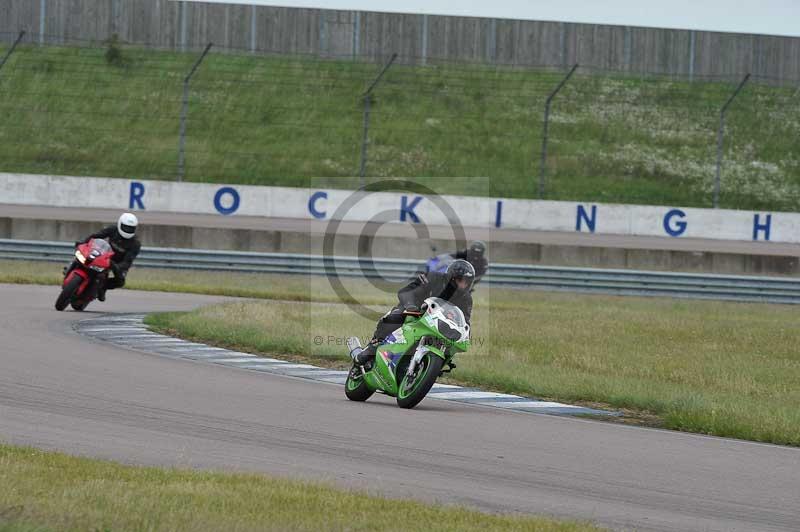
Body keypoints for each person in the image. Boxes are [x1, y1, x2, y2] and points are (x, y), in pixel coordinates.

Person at [353, 259, 475, 365]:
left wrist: (465, 333)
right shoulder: (433, 278)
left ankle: (430, 366)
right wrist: (410, 305)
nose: (463, 284)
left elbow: (464, 320)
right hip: (416, 312)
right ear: (451, 277)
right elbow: (407, 291)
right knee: (397, 315)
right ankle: (372, 347)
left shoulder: (466, 299)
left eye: (466, 281)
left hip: (437, 326)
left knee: (450, 347)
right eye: (460, 280)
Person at [68, 213, 141, 302]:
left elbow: (128, 261)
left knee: (120, 281)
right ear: (120, 224)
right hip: (105, 254)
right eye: (126, 227)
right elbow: (96, 235)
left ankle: (103, 288)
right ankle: (70, 268)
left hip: (118, 263)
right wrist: (83, 242)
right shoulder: (113, 229)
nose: (128, 230)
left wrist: (118, 267)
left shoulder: (135, 244)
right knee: (81, 256)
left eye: (130, 228)